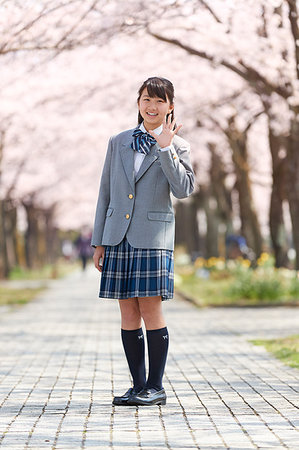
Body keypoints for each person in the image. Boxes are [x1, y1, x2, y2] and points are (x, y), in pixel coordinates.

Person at [91, 76, 194, 406]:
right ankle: (137, 386)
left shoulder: (178, 145)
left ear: (171, 107)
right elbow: (105, 193)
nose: (152, 106)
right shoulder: (118, 141)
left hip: (153, 237)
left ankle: (156, 386)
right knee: (127, 312)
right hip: (118, 237)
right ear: (138, 103)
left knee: (151, 309)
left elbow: (183, 189)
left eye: (160, 101)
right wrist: (99, 241)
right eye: (147, 99)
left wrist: (166, 147)